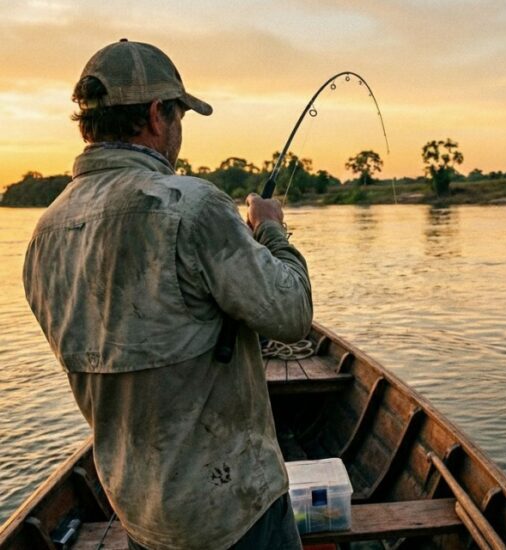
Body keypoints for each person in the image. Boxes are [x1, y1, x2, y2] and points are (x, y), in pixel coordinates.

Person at [23, 39, 312, 550]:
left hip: (140, 514)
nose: (179, 130)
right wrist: (269, 230)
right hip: (234, 513)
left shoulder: (44, 234)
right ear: (158, 114)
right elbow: (291, 314)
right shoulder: (193, 206)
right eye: (179, 115)